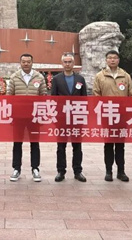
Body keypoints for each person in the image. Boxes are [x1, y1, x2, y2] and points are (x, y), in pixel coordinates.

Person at [92, 50, 132, 182]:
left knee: (120, 145)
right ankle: (108, 171)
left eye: (115, 58)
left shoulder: (125, 76)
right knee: (108, 144)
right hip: (107, 115)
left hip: (122, 116)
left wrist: (128, 111)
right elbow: (96, 94)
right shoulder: (100, 76)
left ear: (118, 60)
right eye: (110, 58)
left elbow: (131, 95)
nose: (112, 60)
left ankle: (121, 171)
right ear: (106, 60)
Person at [7, 53, 48, 182]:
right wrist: (10, 114)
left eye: (28, 62)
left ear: (32, 63)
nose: (26, 64)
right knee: (17, 143)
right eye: (23, 61)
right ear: (20, 63)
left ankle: (35, 168)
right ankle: (16, 169)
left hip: (34, 116)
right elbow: (9, 96)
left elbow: (43, 96)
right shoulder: (14, 77)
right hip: (18, 116)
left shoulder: (39, 77)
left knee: (35, 143)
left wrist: (42, 115)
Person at [51, 53, 87, 182]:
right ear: (62, 63)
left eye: (70, 62)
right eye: (65, 62)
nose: (67, 64)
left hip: (77, 117)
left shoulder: (80, 79)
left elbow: (84, 98)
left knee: (77, 146)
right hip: (62, 117)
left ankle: (78, 171)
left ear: (73, 63)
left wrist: (84, 116)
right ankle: (61, 171)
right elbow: (53, 98)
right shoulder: (56, 79)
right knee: (61, 146)